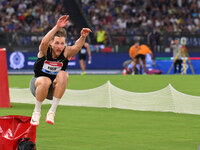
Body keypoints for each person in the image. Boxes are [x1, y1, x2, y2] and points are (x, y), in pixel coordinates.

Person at [29, 15, 92, 126]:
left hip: (53, 89)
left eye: (62, 43)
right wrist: (57, 27)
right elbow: (44, 41)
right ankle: (36, 112)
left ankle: (52, 112)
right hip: (38, 85)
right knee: (45, 81)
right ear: (51, 43)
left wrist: (82, 37)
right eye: (57, 43)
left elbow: (76, 47)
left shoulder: (66, 52)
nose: (59, 46)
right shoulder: (45, 49)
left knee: (63, 74)